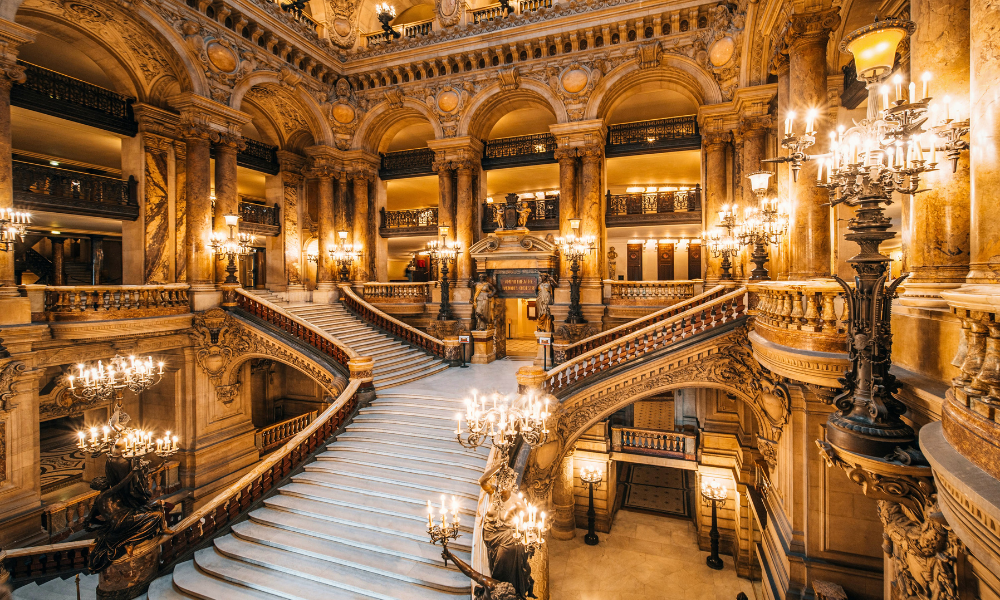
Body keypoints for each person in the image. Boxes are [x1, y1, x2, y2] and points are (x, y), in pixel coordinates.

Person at [85, 448, 174, 573]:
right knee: (157, 516)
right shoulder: (105, 495)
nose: (106, 481)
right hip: (124, 520)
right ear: (101, 485)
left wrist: (105, 524)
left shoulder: (98, 501)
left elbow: (89, 520)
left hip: (123, 518)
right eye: (103, 481)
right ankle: (131, 541)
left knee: (157, 504)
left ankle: (162, 528)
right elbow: (121, 484)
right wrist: (133, 472)